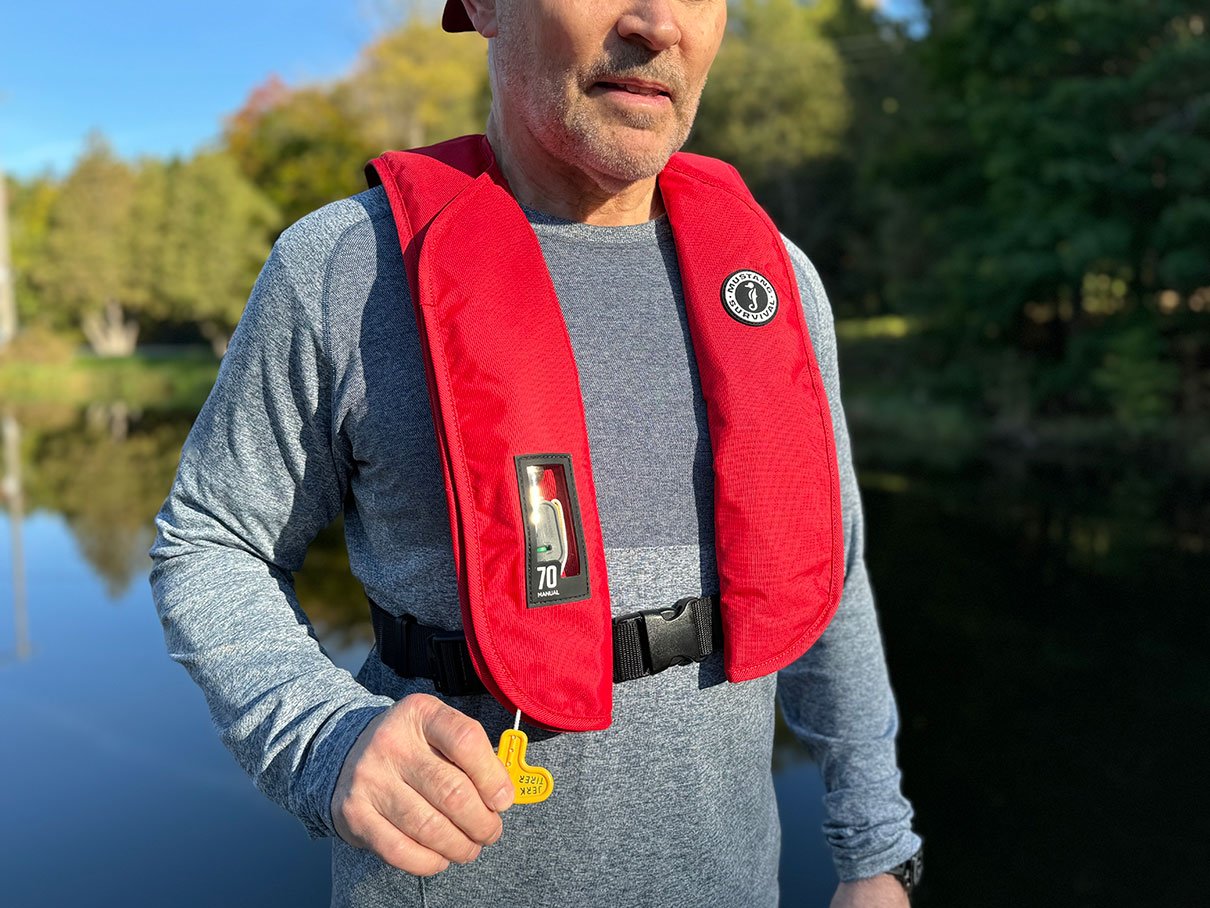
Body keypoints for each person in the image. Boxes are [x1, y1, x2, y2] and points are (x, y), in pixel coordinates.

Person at [149, 1, 923, 905]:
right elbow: (209, 539)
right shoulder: (341, 269)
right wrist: (322, 737)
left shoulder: (778, 281)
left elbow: (835, 564)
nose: (660, 22)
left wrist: (877, 852)